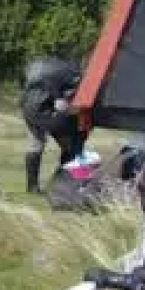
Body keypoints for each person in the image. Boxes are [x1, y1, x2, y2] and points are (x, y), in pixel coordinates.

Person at [19, 56, 86, 195]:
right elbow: (62, 103)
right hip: (46, 110)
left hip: (28, 107)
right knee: (72, 146)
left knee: (35, 145)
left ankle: (32, 187)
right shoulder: (74, 75)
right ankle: (64, 183)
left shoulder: (45, 69)